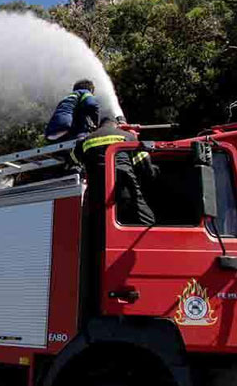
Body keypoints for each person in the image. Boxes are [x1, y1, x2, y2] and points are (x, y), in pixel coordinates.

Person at [72, 117, 156, 324]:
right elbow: (147, 171)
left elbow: (74, 159)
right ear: (116, 124)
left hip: (97, 201)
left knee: (97, 245)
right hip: (124, 195)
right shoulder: (128, 137)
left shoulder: (87, 141)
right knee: (149, 225)